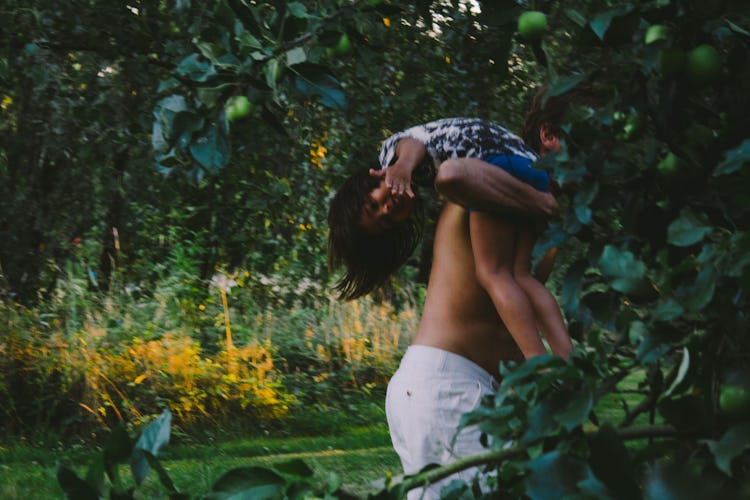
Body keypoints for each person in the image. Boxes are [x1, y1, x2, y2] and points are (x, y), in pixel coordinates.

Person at [328, 86, 595, 498]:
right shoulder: (489, 184)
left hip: (465, 392)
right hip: (445, 391)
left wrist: (562, 371)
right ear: (548, 136)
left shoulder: (521, 201)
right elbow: (456, 172)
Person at [329, 116, 572, 360]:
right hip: (529, 167)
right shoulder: (425, 173)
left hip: (497, 162)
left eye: (373, 204)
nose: (386, 210)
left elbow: (412, 144)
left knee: (493, 274)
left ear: (373, 177)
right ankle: (568, 357)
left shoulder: (390, 156)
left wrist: (402, 165)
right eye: (385, 222)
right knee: (522, 277)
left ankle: (539, 363)